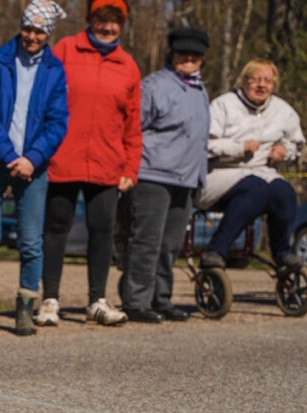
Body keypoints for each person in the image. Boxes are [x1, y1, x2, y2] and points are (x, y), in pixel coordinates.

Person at [34, 0, 140, 327]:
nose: (108, 28)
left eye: (114, 23)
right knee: (56, 228)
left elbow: (133, 123)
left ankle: (97, 301)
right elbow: (44, 99)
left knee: (102, 230)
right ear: (90, 20)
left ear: (122, 25)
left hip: (108, 163)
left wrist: (130, 167)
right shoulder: (65, 50)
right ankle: (50, 299)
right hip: (62, 158)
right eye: (101, 20)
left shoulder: (128, 65)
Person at [0, 0, 68, 336]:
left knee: (30, 241)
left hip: (34, 166)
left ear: (48, 33)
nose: (31, 36)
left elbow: (57, 122)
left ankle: (26, 305)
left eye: (39, 31)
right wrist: (10, 154)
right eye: (28, 28)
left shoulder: (55, 71)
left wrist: (33, 158)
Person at [121, 28, 210, 323]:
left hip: (185, 179)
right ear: (172, 54)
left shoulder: (199, 90)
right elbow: (133, 129)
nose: (189, 58)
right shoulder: (155, 86)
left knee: (170, 244)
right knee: (147, 240)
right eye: (183, 53)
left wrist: (199, 177)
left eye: (195, 55)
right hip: (153, 175)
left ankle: (161, 298)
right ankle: (136, 300)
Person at [196, 58, 306, 273]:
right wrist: (239, 147)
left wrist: (284, 151)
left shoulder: (283, 110)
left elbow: (297, 145)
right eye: (255, 79)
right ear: (243, 81)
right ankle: (216, 251)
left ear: (274, 85)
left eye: (267, 80)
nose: (261, 85)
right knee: (255, 188)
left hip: (262, 171)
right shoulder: (223, 105)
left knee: (284, 193)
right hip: (219, 172)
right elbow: (204, 144)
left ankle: (282, 254)